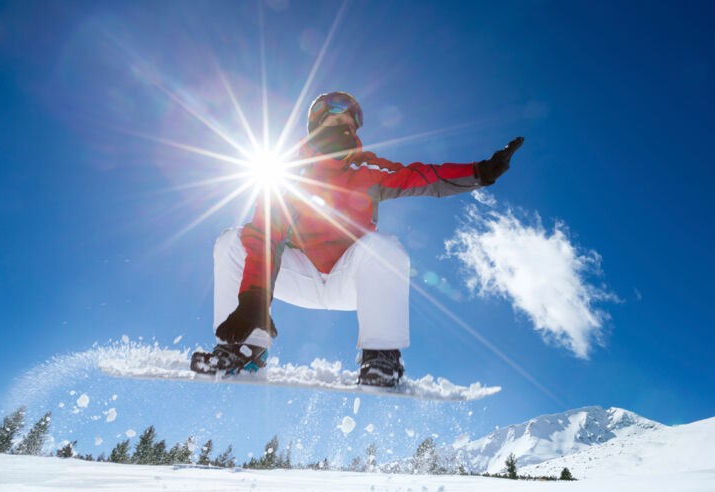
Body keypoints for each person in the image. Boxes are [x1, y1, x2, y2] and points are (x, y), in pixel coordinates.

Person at [191, 91, 523, 387]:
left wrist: (481, 171)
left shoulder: (368, 169)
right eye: (335, 122)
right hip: (300, 275)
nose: (344, 129)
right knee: (232, 241)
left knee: (384, 247)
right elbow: (264, 236)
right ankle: (247, 350)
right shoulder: (287, 174)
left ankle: (380, 358)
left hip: (350, 279)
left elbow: (422, 176)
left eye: (349, 124)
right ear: (317, 127)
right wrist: (254, 299)